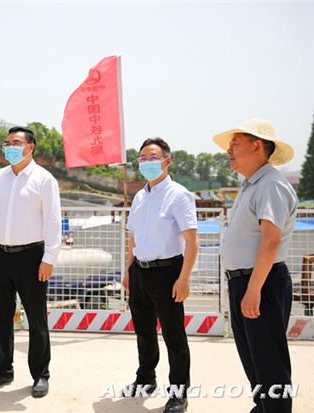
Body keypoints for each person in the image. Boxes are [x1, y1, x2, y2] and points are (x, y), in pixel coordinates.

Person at [213, 119, 297, 413]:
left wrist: (252, 289)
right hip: (248, 282)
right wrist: (238, 283)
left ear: (257, 146)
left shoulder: (271, 185)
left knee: (269, 364)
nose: (229, 151)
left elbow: (271, 241)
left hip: (261, 283)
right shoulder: (253, 184)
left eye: (235, 144)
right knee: (256, 362)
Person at [0, 126, 62, 398]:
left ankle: (40, 374)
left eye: (16, 142)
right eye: (7, 143)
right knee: (1, 317)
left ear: (30, 147)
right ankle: (3, 369)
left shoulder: (44, 179)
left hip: (32, 257)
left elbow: (53, 221)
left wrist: (49, 258)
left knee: (36, 319)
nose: (10, 147)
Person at [121, 137, 198, 413]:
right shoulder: (140, 196)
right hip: (139, 272)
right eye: (142, 158)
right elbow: (134, 236)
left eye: (153, 157)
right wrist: (128, 270)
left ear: (167, 161)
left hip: (167, 272)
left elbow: (192, 240)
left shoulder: (179, 195)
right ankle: (145, 379)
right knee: (144, 331)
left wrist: (184, 278)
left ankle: (178, 393)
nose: (147, 163)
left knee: (174, 336)